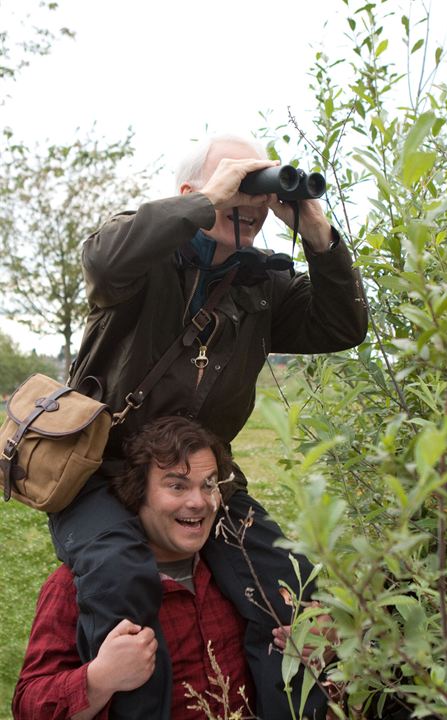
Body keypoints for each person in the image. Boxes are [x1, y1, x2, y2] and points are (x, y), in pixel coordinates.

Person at [48, 134, 368, 719]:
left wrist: (318, 234)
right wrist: (205, 203)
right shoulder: (141, 258)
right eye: (237, 182)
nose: (249, 197)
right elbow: (101, 259)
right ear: (192, 192)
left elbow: (341, 326)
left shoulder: (261, 287)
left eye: (259, 186)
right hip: (102, 468)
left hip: (200, 477)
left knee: (288, 584)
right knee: (120, 573)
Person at [13, 416, 332, 719]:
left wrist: (332, 643)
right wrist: (99, 679)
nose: (199, 501)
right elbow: (28, 705)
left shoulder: (241, 570)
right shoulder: (80, 584)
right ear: (137, 494)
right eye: (177, 486)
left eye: (208, 485)